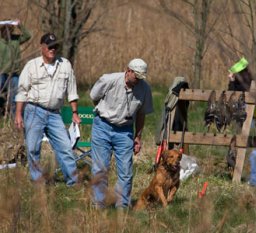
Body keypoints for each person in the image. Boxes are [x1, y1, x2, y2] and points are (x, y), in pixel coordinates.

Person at [14, 33, 81, 186]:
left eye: (55, 46)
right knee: (32, 148)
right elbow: (22, 91)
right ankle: (38, 181)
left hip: (55, 114)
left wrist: (75, 113)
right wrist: (18, 114)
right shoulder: (31, 66)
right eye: (49, 46)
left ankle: (73, 182)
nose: (53, 49)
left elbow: (72, 90)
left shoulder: (65, 65)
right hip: (33, 110)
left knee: (65, 147)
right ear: (42, 47)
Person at [90, 58, 153, 208]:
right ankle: (99, 205)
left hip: (125, 131)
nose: (138, 80)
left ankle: (122, 207)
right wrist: (105, 111)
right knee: (100, 168)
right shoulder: (109, 80)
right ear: (128, 70)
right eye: (136, 76)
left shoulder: (145, 89)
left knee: (126, 171)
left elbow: (142, 114)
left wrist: (138, 136)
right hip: (102, 127)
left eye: (141, 77)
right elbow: (94, 97)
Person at [0, 19, 31, 117]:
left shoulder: (16, 39)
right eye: (5, 29)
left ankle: (15, 119)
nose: (7, 32)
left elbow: (28, 35)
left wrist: (19, 25)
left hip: (14, 73)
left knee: (15, 98)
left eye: (9, 29)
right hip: (1, 73)